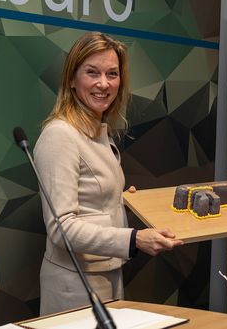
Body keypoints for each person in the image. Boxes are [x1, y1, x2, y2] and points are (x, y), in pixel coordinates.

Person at [33, 32, 183, 315]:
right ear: (71, 80)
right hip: (74, 283)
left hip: (108, 272)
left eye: (112, 74)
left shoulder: (97, 130)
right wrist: (134, 239)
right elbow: (61, 227)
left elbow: (91, 199)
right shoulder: (60, 135)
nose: (104, 83)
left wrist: (120, 199)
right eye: (92, 72)